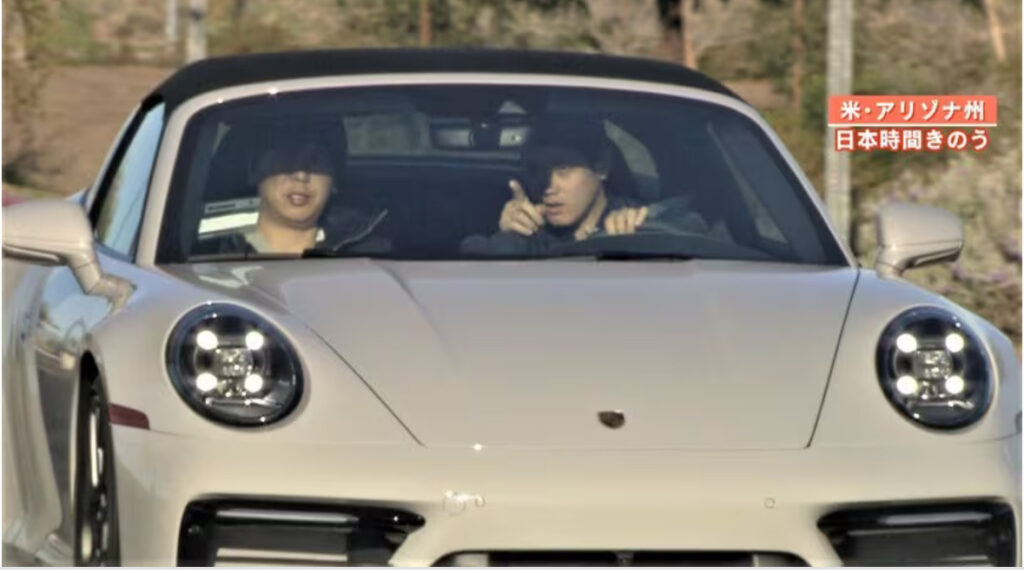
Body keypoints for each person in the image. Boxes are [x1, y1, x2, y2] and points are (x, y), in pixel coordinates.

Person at [464, 116, 653, 256]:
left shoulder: (639, 221)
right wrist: (507, 239)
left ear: (601, 167)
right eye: (537, 170)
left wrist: (638, 231)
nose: (548, 187)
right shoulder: (532, 234)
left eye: (563, 169)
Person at [214, 121, 388, 256]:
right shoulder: (211, 251)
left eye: (315, 160)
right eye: (288, 158)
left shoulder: (371, 256)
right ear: (254, 170)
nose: (301, 175)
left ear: (334, 180)